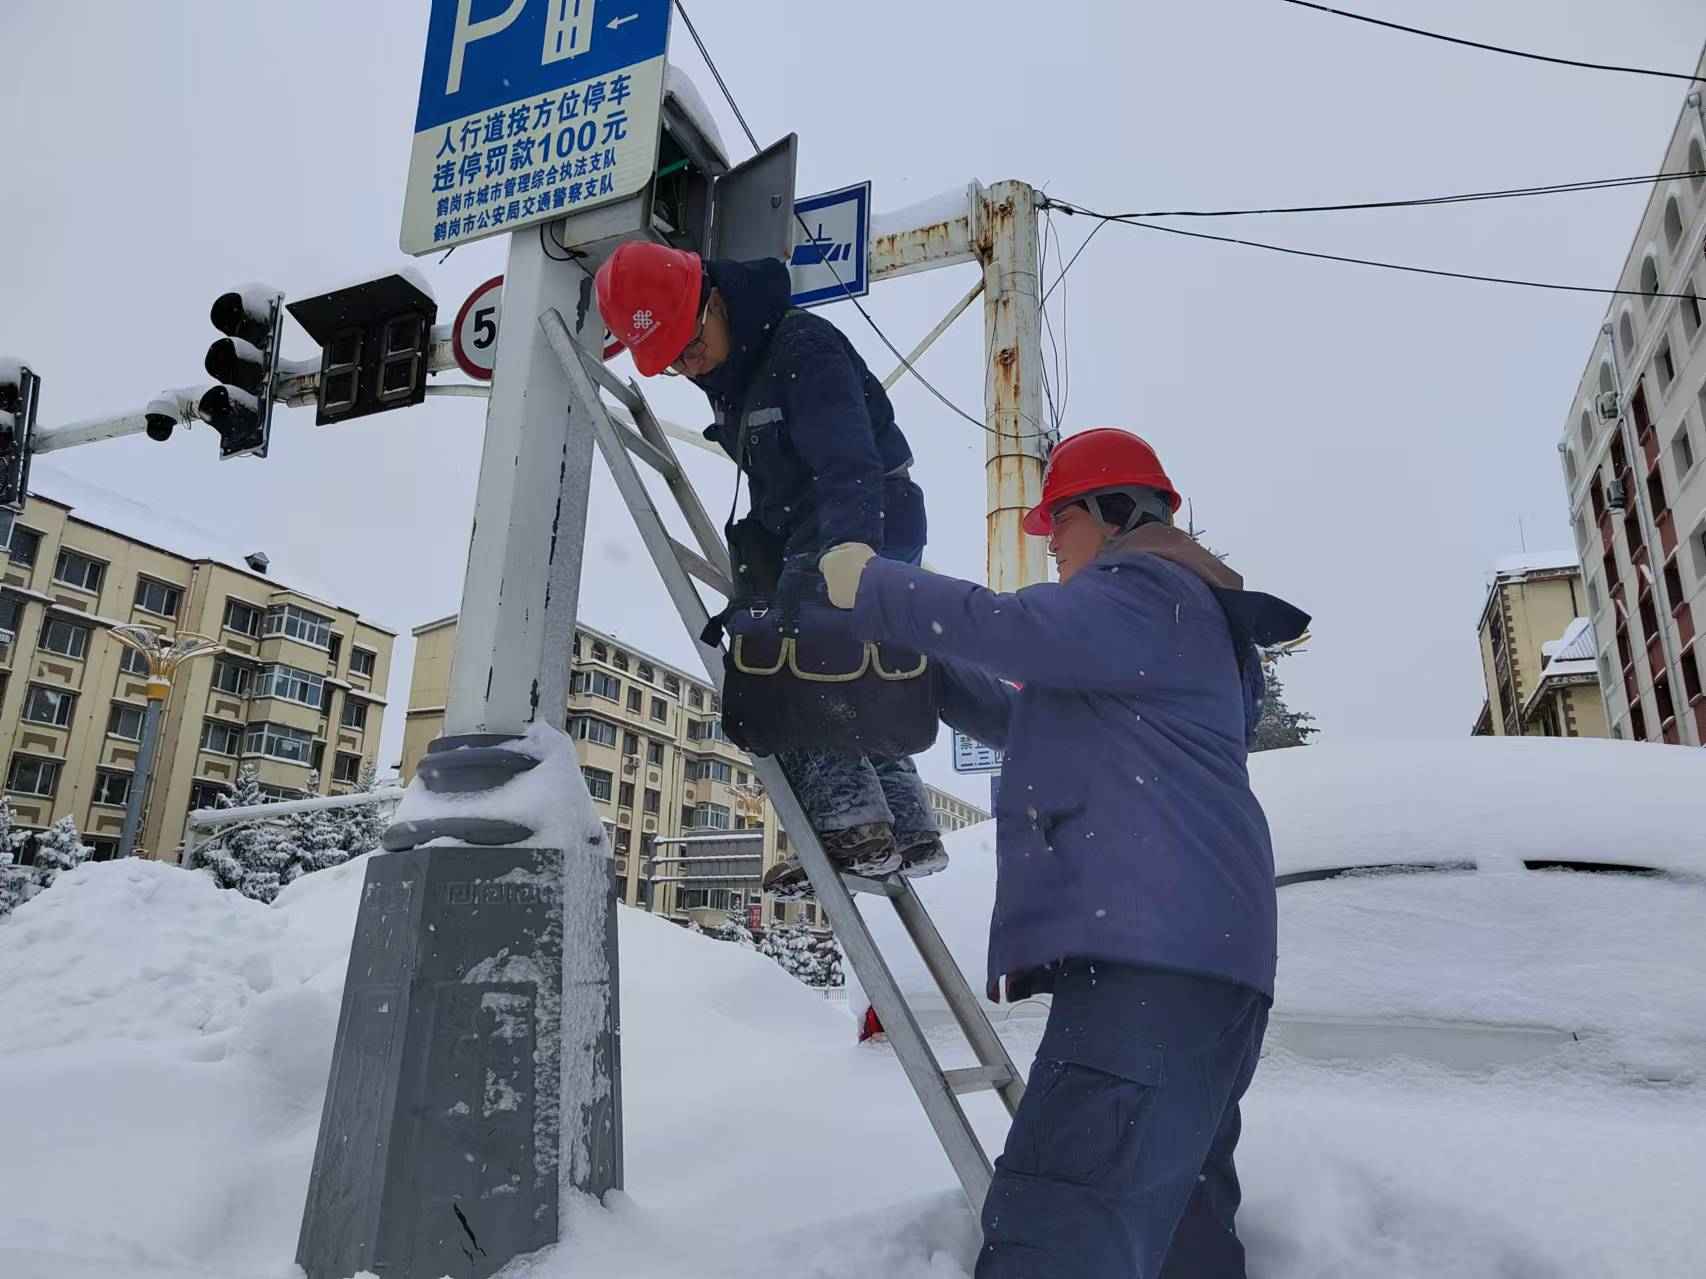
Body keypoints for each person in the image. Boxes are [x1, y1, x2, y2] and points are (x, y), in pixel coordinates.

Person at [817, 428, 1307, 1278]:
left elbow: (1004, 627)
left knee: (1062, 1226)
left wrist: (870, 586)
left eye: (1060, 524)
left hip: (1149, 967)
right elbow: (1021, 712)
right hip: (1207, 967)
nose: (1050, 546)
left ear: (1112, 513)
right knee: (1177, 1230)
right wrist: (917, 667)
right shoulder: (1181, 628)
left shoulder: (1148, 586)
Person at [594, 240, 945, 897]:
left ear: (717, 301)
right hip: (832, 531)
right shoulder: (736, 374)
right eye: (672, 361)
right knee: (861, 683)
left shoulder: (800, 348)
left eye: (691, 345)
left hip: (860, 524)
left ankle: (853, 829)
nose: (689, 366)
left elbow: (846, 455)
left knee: (785, 683)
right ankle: (908, 829)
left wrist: (848, 556)